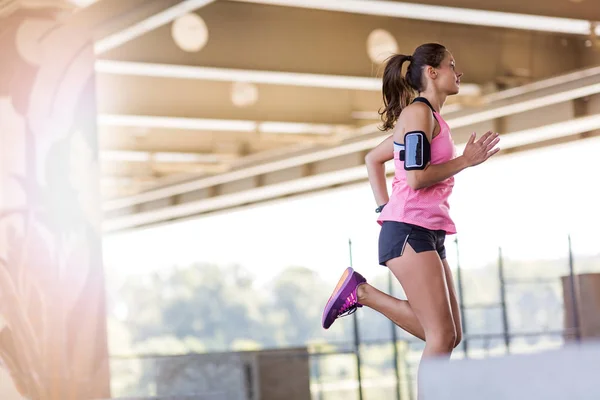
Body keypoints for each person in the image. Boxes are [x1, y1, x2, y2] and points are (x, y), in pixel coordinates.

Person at [321, 43, 501, 390]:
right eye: (452, 65)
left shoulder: (428, 118)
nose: (458, 71)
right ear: (432, 73)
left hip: (427, 232)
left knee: (450, 336)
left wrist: (382, 207)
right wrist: (465, 160)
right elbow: (417, 178)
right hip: (409, 231)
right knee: (440, 337)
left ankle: (362, 293)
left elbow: (373, 159)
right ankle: (362, 293)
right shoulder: (418, 115)